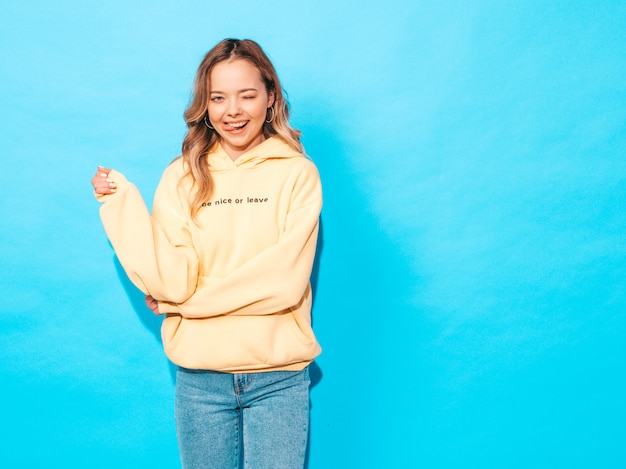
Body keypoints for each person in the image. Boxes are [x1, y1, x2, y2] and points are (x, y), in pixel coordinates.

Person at [91, 38, 322, 468]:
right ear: (205, 104)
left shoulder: (297, 174)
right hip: (200, 382)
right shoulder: (181, 176)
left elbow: (282, 283)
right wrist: (121, 205)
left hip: (279, 379)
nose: (232, 110)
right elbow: (171, 279)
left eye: (247, 95)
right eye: (218, 97)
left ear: (270, 97)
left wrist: (185, 305)